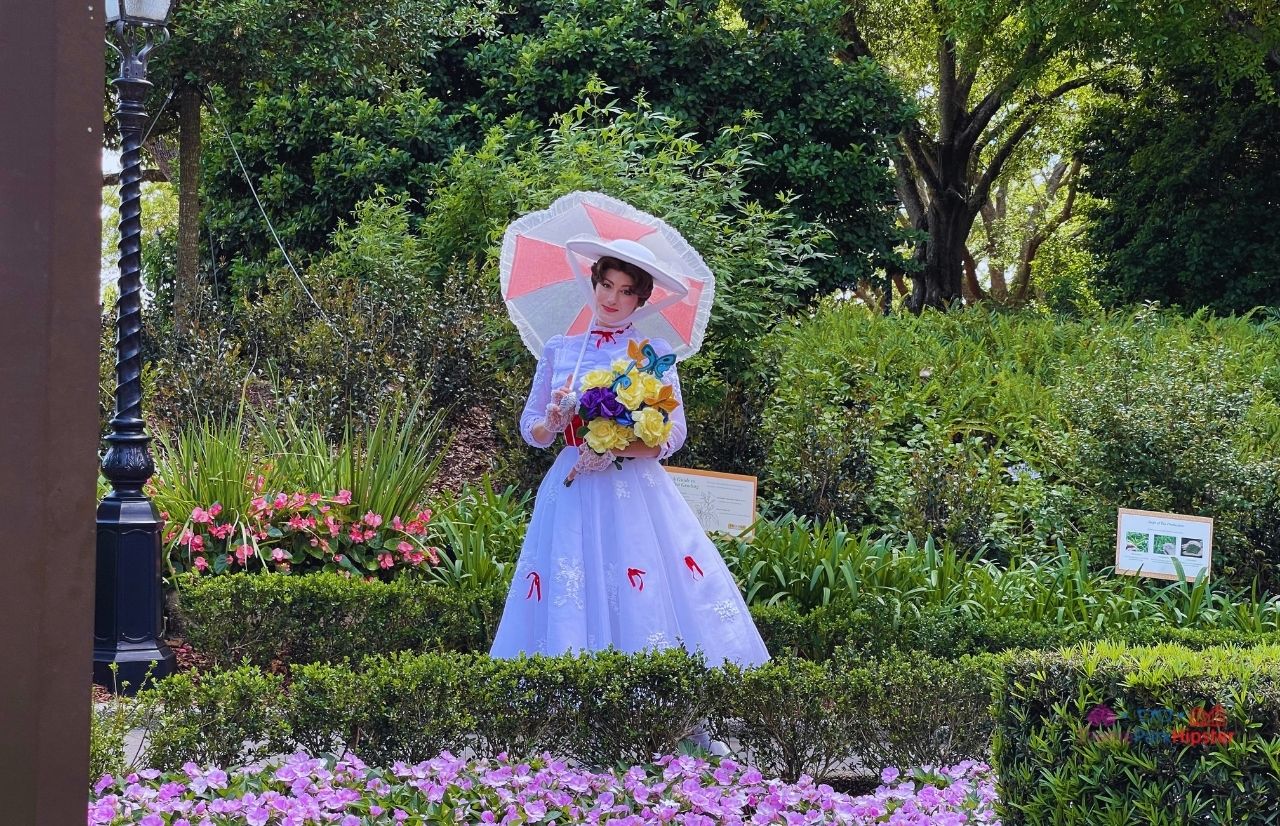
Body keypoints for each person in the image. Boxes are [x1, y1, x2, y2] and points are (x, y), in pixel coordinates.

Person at [489, 246, 770, 671]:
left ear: (640, 300)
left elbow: (675, 432)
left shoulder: (650, 353)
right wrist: (553, 420)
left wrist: (614, 447)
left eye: (625, 291)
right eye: (605, 285)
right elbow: (533, 432)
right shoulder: (560, 350)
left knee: (638, 582)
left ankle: (654, 700)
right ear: (594, 283)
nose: (611, 299)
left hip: (635, 490)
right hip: (571, 485)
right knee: (572, 581)